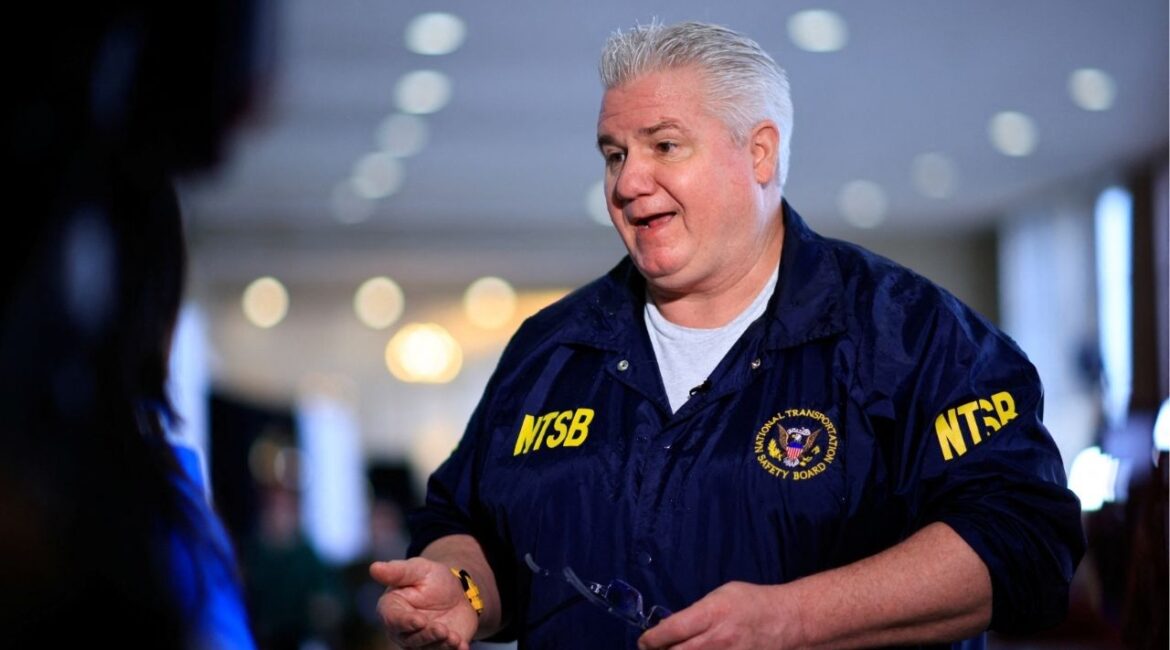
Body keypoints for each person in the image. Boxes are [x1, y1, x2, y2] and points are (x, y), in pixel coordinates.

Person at [370, 21, 1084, 650]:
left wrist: (795, 620)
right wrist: (462, 591)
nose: (627, 182)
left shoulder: (909, 334)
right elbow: (465, 523)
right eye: (614, 154)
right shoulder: (550, 351)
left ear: (760, 153)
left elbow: (1022, 536)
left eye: (664, 145)